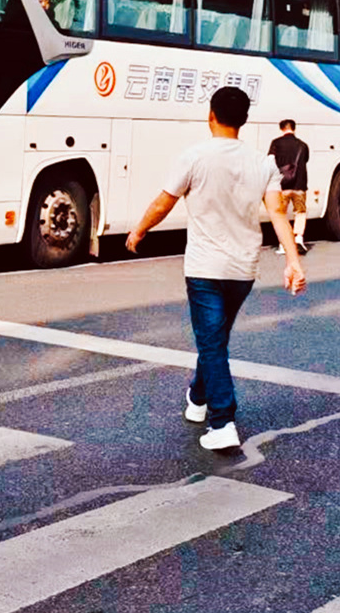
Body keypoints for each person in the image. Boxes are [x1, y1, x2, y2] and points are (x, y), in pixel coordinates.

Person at [126, 86, 306, 452]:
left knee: (212, 342)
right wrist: (293, 260)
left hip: (205, 268)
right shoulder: (263, 163)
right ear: (244, 120)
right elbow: (277, 214)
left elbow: (165, 201)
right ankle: (197, 398)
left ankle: (222, 421)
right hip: (243, 270)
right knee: (214, 340)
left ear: (210, 115)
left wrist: (139, 230)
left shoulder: (194, 156)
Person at [268, 119, 311, 256]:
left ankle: (283, 244)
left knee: (281, 213)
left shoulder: (276, 143)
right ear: (294, 128)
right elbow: (306, 160)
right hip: (300, 185)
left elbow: (270, 161)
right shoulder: (303, 145)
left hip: (282, 185)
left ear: (281, 129)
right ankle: (298, 239)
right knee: (300, 211)